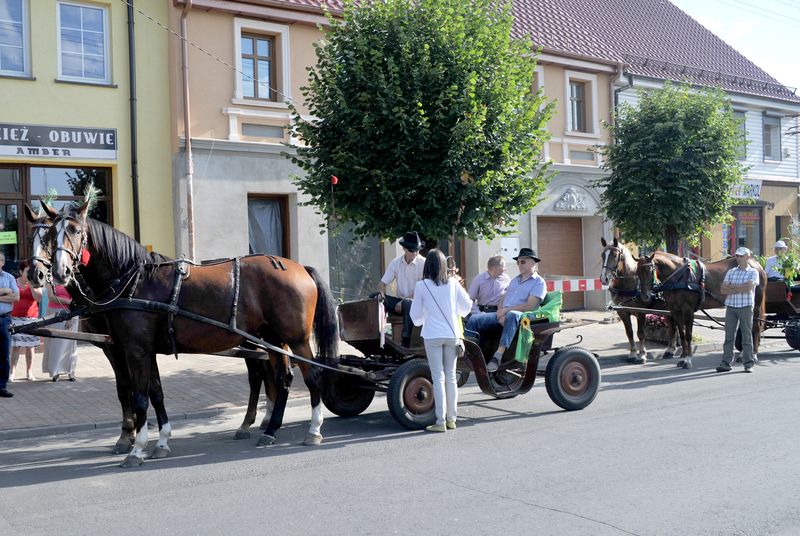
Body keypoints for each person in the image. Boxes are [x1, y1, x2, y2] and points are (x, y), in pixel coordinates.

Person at [409, 249, 472, 432]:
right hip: (452, 334)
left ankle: (440, 421)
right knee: (451, 377)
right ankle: (452, 419)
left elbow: (415, 316)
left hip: (432, 336)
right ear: (445, 265)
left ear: (427, 265)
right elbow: (467, 306)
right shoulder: (453, 283)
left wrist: (424, 320)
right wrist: (455, 313)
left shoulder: (422, 285)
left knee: (438, 378)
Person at [465, 248, 546, 373]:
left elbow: (530, 305)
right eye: (518, 262)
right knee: (474, 319)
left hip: (524, 318)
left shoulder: (539, 282)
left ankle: (498, 356)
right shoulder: (514, 280)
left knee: (513, 315)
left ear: (533, 263)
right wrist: (500, 312)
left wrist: (506, 311)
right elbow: (503, 298)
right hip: (503, 313)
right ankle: (469, 356)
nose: (519, 265)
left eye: (522, 262)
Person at [377, 231, 425, 347]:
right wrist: (381, 295)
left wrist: (403, 301)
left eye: (417, 250)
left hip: (417, 303)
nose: (416, 253)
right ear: (404, 249)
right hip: (399, 302)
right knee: (374, 298)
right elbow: (382, 283)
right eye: (413, 250)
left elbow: (422, 291)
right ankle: (377, 336)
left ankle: (406, 341)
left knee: (408, 303)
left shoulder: (423, 263)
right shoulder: (396, 262)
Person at [717, 247, 760, 373]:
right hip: (731, 306)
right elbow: (723, 290)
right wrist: (739, 287)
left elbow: (749, 287)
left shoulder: (753, 272)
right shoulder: (731, 271)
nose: (738, 258)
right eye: (737, 256)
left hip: (746, 306)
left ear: (748, 257)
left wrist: (732, 287)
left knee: (746, 336)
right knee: (729, 336)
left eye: (741, 256)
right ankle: (725, 363)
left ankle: (748, 364)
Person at [10, 261, 42, 382]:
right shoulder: (14, 281)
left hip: (31, 318)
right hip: (15, 318)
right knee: (15, 346)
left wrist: (31, 284)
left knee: (30, 347)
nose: (29, 273)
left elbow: (38, 298)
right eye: (27, 271)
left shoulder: (35, 282)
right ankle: (12, 372)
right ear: (21, 271)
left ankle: (29, 372)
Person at [41, 284, 78, 382]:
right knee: (55, 343)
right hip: (54, 312)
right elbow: (51, 297)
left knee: (70, 343)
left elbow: (76, 299)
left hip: (71, 312)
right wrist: (68, 302)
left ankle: (71, 371)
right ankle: (55, 371)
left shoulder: (71, 280)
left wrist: (71, 315)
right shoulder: (50, 280)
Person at [0, 253, 20, 398]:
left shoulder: (9, 278)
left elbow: (17, 297)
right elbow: (11, 295)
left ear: (2, 262)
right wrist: (6, 292)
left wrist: (7, 294)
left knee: (4, 353)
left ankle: (2, 386)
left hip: (5, 319)